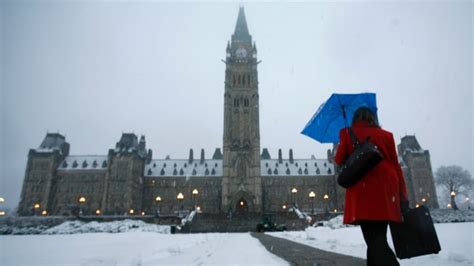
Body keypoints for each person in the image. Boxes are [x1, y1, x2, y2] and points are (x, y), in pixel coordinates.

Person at [335, 106, 409, 266]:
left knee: (375, 240)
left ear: (355, 118)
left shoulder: (347, 133)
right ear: (372, 118)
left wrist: (347, 143)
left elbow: (338, 159)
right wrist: (403, 195)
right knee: (377, 238)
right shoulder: (387, 136)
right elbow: (396, 167)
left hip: (363, 189)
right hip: (387, 189)